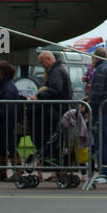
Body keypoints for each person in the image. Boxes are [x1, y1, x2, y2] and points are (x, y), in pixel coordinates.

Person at [34, 50, 72, 179]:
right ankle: (57, 171)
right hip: (59, 111)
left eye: (42, 62)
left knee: (53, 142)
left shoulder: (56, 72)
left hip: (55, 112)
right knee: (57, 142)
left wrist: (40, 95)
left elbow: (56, 89)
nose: (41, 65)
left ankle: (55, 170)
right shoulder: (59, 70)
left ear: (49, 59)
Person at [86, 48, 107, 179]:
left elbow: (96, 93)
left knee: (102, 142)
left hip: (102, 112)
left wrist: (88, 106)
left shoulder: (100, 70)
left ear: (96, 58)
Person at [0, 60, 22, 181]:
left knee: (11, 146)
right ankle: (2, 172)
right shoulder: (3, 85)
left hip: (8, 123)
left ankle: (18, 172)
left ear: (2, 72)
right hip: (2, 122)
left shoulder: (8, 87)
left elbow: (8, 107)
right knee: (2, 147)